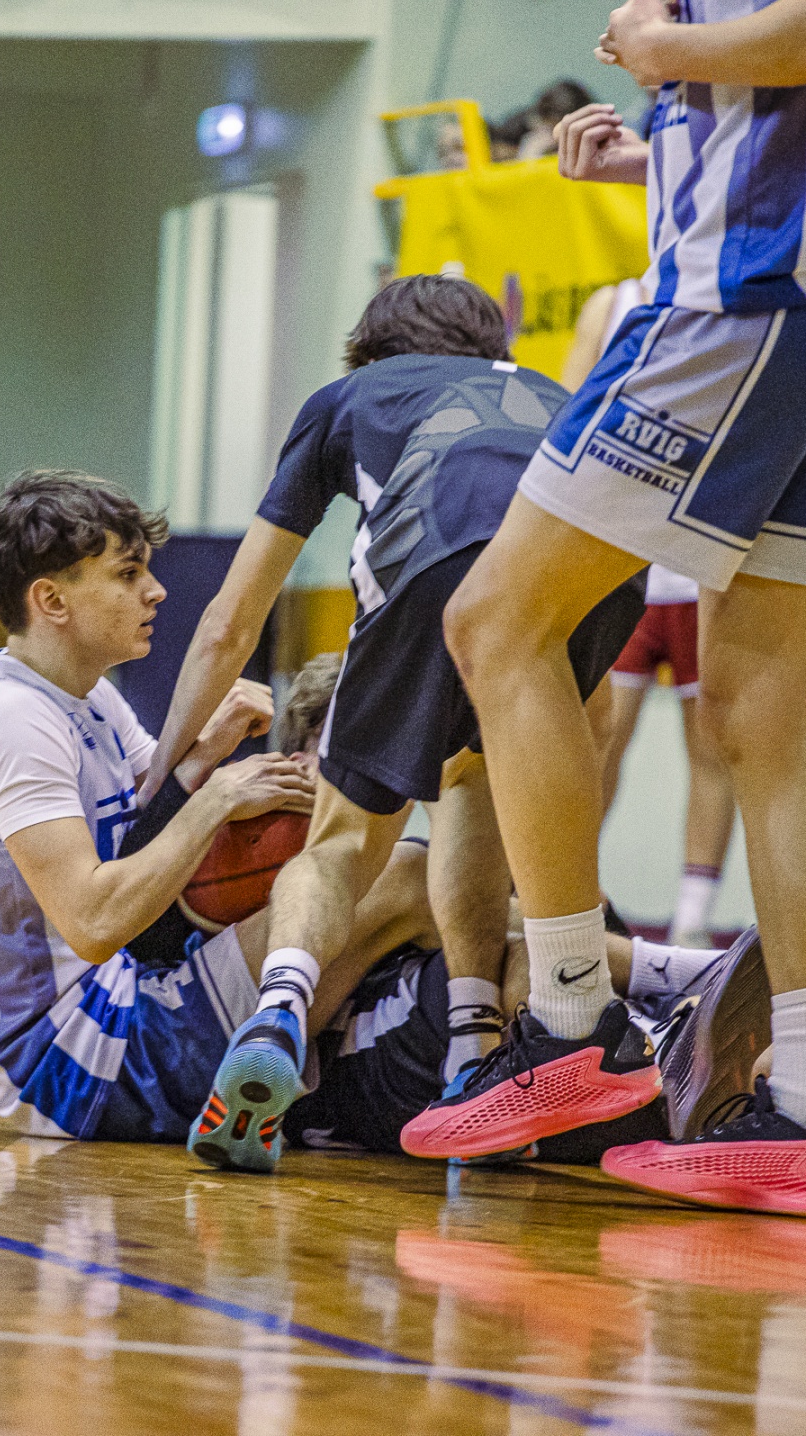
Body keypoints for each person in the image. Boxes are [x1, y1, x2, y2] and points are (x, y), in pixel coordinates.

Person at [403, 0, 806, 1220]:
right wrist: (670, 149)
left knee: (495, 625)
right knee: (760, 709)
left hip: (748, 300)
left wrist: (666, 53)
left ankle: (571, 1019)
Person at [151, 275, 656, 1173]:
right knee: (476, 772)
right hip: (609, 576)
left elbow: (230, 622)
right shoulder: (550, 391)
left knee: (343, 847)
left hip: (437, 555)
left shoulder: (350, 396)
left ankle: (278, 1012)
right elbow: (597, 722)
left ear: (373, 352)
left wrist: (160, 778)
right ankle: (481, 1050)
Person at [0, 470, 432, 1142]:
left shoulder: (87, 697)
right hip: (78, 1061)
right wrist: (217, 795)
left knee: (438, 915)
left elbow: (150, 821)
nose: (156, 591)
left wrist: (210, 752)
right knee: (404, 877)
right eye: (128, 574)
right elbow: (94, 922)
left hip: (133, 998)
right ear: (51, 600)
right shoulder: (7, 719)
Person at [565, 278, 738, 950]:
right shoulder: (609, 306)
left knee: (712, 749)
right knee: (595, 742)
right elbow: (566, 420)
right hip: (621, 565)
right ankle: (567, 899)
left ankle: (692, 922)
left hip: (702, 566)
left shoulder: (731, 300)